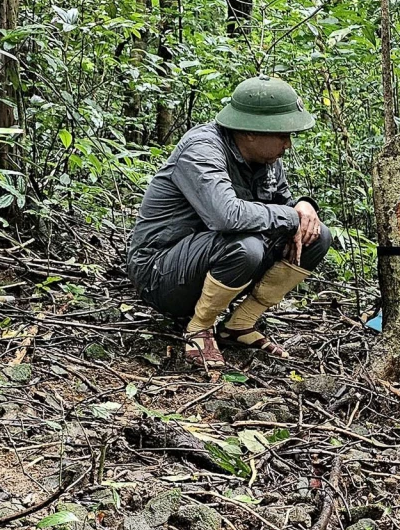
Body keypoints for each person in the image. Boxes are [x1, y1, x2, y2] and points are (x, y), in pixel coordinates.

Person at [126, 75, 327, 376]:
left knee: (317, 236)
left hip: (212, 261)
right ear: (249, 131)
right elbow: (226, 216)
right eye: (282, 134)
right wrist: (290, 216)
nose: (288, 143)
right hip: (161, 273)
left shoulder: (268, 159)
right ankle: (200, 328)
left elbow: (286, 210)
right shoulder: (202, 149)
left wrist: (305, 206)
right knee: (245, 246)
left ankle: (239, 325)